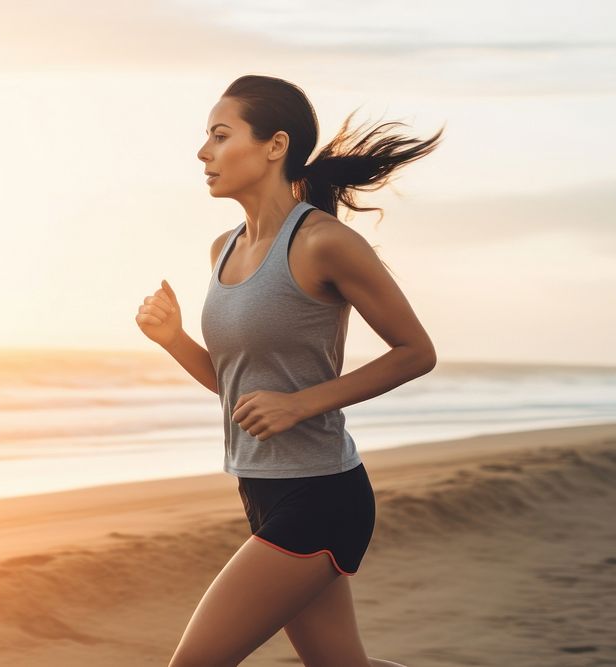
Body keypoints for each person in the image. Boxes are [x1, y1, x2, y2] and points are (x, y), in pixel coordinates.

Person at [135, 74, 443, 667]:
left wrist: (301, 403)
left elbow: (415, 351)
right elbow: (237, 388)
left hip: (323, 495)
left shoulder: (324, 243)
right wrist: (173, 340)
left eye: (221, 136)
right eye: (206, 137)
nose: (204, 152)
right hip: (260, 488)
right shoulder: (223, 247)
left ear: (275, 146)